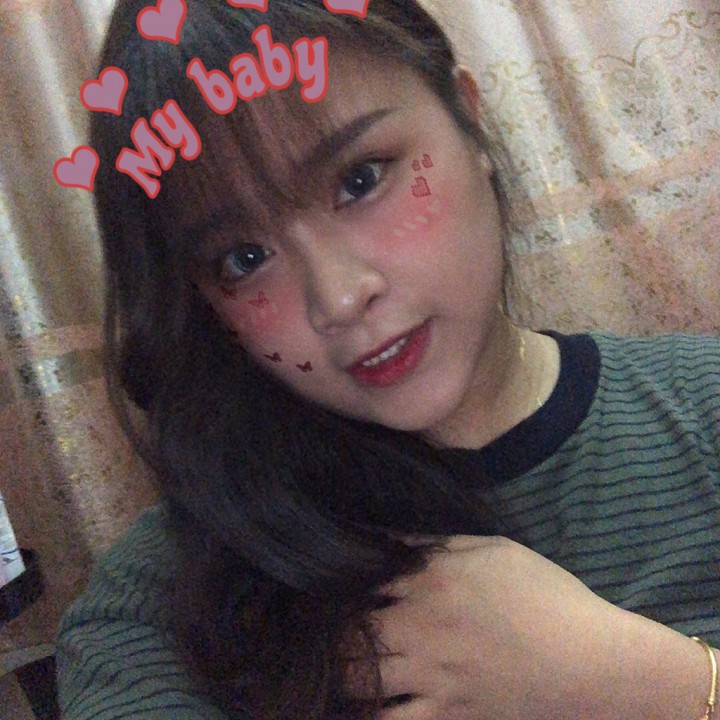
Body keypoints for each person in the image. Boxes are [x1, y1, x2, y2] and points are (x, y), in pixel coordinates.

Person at [56, 1, 720, 719]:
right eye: (243, 258)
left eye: (361, 179)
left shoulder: (704, 406)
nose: (339, 298)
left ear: (468, 121)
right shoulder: (157, 602)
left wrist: (652, 685)